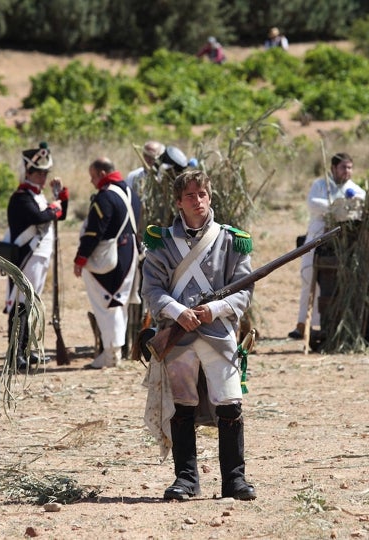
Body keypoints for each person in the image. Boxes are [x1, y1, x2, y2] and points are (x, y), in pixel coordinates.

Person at [141, 169, 256, 501]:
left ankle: (234, 480)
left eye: (202, 194)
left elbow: (244, 291)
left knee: (230, 404)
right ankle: (186, 480)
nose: (198, 201)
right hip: (179, 337)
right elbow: (152, 290)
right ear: (178, 202)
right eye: (190, 196)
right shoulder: (161, 242)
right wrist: (180, 313)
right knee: (181, 407)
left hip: (219, 333)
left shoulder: (232, 239)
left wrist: (213, 310)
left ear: (210, 197)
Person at [5, 142, 69, 370]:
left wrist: (60, 197)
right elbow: (41, 217)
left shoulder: (38, 196)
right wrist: (55, 207)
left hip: (39, 257)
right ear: (28, 172)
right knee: (21, 305)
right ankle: (15, 353)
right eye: (39, 173)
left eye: (45, 173)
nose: (43, 177)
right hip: (26, 256)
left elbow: (57, 215)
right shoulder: (21, 197)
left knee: (31, 304)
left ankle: (26, 349)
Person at [289, 152, 366, 339]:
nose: (346, 171)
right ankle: (302, 325)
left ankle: (326, 326)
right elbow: (313, 203)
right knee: (309, 279)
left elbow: (360, 207)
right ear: (333, 168)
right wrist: (334, 206)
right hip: (316, 239)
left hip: (342, 245)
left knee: (332, 285)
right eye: (342, 167)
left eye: (349, 167)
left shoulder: (356, 190)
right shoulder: (320, 185)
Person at [74, 157, 141, 369]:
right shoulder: (132, 193)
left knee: (108, 303)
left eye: (93, 177)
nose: (92, 182)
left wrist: (81, 257)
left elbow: (95, 231)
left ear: (102, 173)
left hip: (111, 258)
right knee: (116, 303)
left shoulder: (106, 196)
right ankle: (114, 351)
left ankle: (111, 354)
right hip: (129, 255)